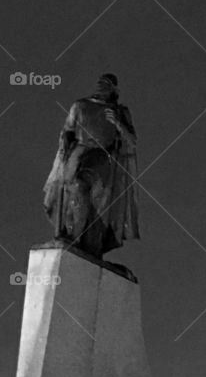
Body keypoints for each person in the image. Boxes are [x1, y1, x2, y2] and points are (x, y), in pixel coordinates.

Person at [43, 73, 139, 259]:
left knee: (96, 200)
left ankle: (86, 243)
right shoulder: (81, 106)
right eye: (102, 84)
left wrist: (118, 124)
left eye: (108, 85)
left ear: (115, 90)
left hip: (103, 157)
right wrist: (64, 146)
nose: (104, 88)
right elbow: (68, 130)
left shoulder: (120, 111)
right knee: (74, 190)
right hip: (79, 153)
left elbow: (132, 141)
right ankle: (72, 234)